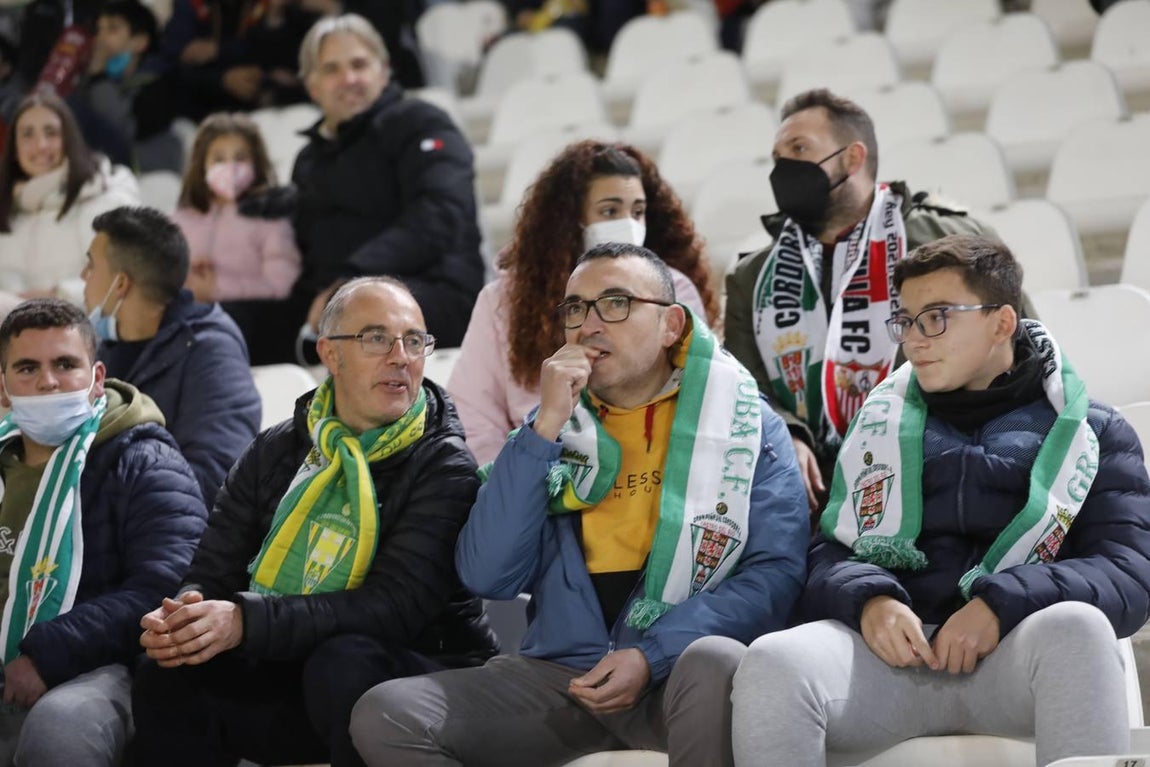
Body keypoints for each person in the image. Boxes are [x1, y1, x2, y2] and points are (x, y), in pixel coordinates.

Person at [351, 243, 809, 767]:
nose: (589, 324)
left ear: (671, 325)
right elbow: (487, 574)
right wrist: (542, 425)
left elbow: (774, 574)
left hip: (680, 673)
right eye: (575, 309)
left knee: (716, 661)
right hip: (565, 677)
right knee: (385, 712)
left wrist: (652, 655)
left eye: (615, 303)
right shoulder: (554, 430)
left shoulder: (745, 424)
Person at [731, 235, 1150, 767]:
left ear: (1001, 323)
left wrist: (1001, 604)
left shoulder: (1094, 431)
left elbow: (1129, 574)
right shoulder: (875, 425)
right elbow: (827, 553)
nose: (914, 340)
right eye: (905, 321)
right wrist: (870, 600)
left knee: (1079, 630)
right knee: (773, 660)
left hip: (1018, 656)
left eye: (936, 317)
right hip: (892, 663)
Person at [128, 277, 499, 767]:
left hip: (422, 666)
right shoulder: (275, 449)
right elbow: (214, 567)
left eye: (414, 340)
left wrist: (245, 621)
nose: (400, 356)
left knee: (344, 662)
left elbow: (393, 607)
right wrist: (189, 618)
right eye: (376, 338)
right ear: (330, 353)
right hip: (295, 665)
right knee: (169, 668)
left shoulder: (443, 463)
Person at [723, 88, 997, 514]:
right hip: (810, 496)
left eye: (799, 149)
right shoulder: (751, 277)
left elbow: (1013, 350)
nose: (783, 169)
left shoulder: (949, 241)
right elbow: (746, 391)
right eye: (777, 159)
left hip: (941, 474)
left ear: (852, 158)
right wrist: (786, 435)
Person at [0, 298, 207, 767]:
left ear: (96, 379)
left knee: (59, 728)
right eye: (28, 367)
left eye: (65, 364)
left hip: (104, 665)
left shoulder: (143, 460)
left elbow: (168, 585)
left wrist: (45, 656)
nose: (48, 381)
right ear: (4, 388)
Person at [448, 140, 719, 465]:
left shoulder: (675, 290)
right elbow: (476, 423)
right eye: (609, 211)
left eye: (637, 212)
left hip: (650, 473)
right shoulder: (501, 301)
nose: (628, 225)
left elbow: (696, 400)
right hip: (537, 476)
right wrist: (510, 485)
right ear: (568, 222)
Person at [280, 12, 484, 363]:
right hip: (339, 300)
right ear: (312, 86)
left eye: (359, 64)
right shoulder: (308, 160)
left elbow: (439, 216)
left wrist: (351, 278)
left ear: (384, 70)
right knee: (234, 323)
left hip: (435, 290)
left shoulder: (422, 122)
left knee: (362, 313)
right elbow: (304, 250)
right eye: (332, 69)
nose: (349, 78)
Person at [81, 205, 260, 507]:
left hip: (168, 538)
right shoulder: (103, 347)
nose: (82, 276)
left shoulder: (211, 350)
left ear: (121, 284)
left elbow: (217, 477)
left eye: (91, 265)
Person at [0, 93, 138, 318]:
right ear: (14, 148)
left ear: (69, 139)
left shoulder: (102, 196)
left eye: (51, 132)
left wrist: (58, 295)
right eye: (27, 134)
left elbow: (121, 278)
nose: (41, 145)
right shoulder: (7, 209)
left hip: (87, 335)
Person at [172, 112, 302, 304]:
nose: (230, 167)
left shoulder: (271, 221)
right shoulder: (180, 220)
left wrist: (217, 288)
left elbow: (281, 285)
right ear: (202, 166)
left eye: (240, 158)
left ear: (256, 164)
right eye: (219, 159)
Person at [68, 0, 180, 173]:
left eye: (112, 29)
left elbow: (120, 132)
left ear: (140, 42)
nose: (100, 39)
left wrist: (99, 77)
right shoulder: (88, 81)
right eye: (98, 30)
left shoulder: (159, 86)